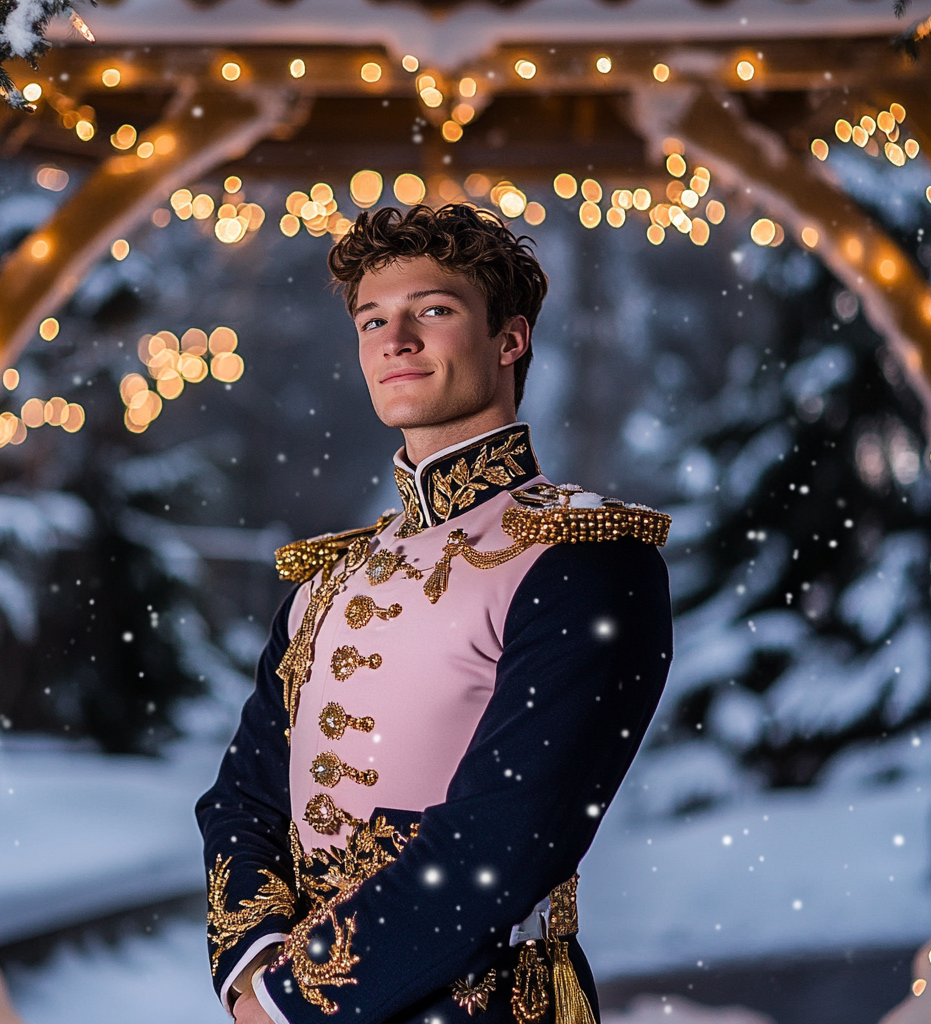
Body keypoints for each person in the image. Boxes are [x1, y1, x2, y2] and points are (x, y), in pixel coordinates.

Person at [196, 204, 672, 1024]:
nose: (396, 339)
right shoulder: (327, 577)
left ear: (510, 340)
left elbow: (507, 839)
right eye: (374, 319)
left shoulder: (589, 559)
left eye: (435, 310)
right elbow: (242, 797)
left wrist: (290, 1002)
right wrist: (252, 967)